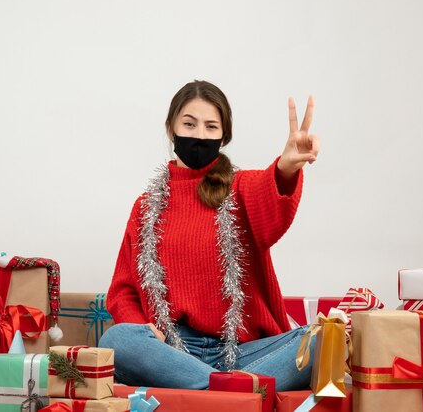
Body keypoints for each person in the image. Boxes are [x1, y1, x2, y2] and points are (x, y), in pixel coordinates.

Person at [99, 80, 320, 391]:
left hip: (242, 352)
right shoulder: (145, 207)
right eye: (189, 124)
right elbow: (122, 291)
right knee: (116, 340)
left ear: (223, 136)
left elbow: (270, 202)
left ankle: (213, 393)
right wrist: (144, 330)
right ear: (170, 128)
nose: (199, 135)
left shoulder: (239, 189)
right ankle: (231, 394)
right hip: (172, 352)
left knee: (320, 340)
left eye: (211, 127)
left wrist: (285, 168)